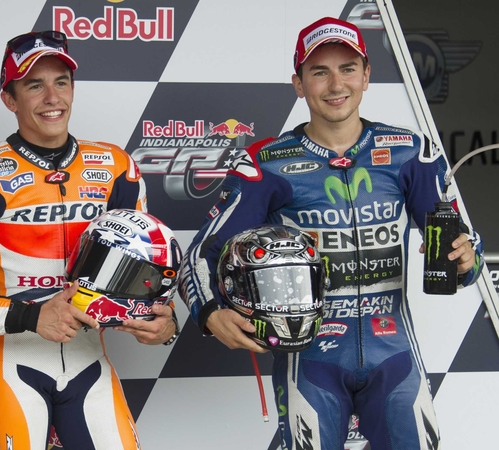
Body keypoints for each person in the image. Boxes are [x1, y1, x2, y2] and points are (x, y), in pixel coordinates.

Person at [178, 17, 482, 450]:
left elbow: (464, 248)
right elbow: (202, 254)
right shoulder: (266, 163)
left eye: (348, 69)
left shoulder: (410, 152)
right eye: (319, 71)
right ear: (299, 84)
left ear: (366, 76)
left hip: (394, 355)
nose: (335, 84)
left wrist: (468, 258)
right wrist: (209, 312)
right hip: (310, 359)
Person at [0, 30, 179, 449]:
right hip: (10, 361)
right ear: (10, 98)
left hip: (87, 360)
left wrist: (163, 321)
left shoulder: (116, 168)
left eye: (61, 81)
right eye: (34, 85)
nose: (51, 97)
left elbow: (149, 277)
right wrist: (31, 317)